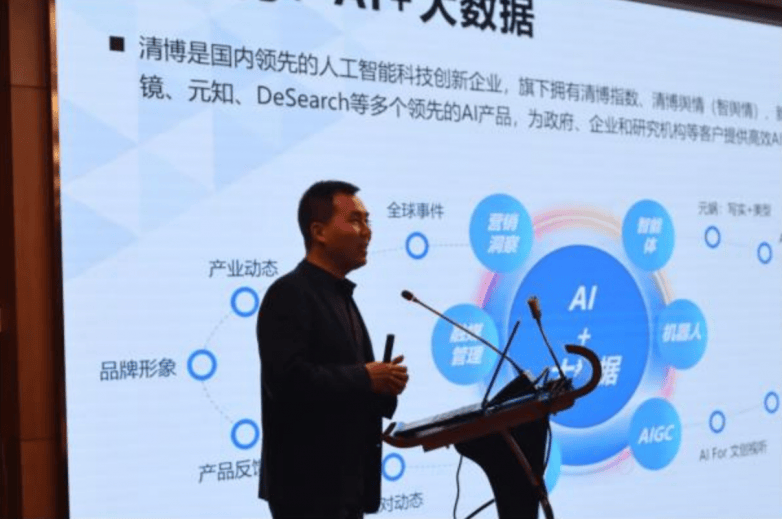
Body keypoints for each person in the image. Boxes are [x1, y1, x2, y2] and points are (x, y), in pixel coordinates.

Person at [257, 181, 409, 519]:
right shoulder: (289, 293)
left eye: (368, 221)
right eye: (355, 220)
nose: (367, 231)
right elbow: (287, 382)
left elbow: (349, 386)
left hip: (348, 486)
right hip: (307, 490)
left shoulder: (342, 296)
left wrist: (385, 386)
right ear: (319, 232)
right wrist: (366, 377)